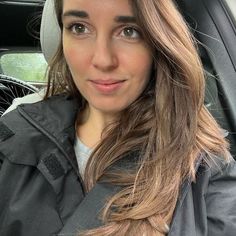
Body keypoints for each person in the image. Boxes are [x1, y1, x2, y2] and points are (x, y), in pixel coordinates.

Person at [0, 0, 236, 235]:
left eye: (129, 31)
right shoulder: (10, 139)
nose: (103, 60)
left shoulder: (206, 166)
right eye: (79, 28)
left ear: (158, 40)